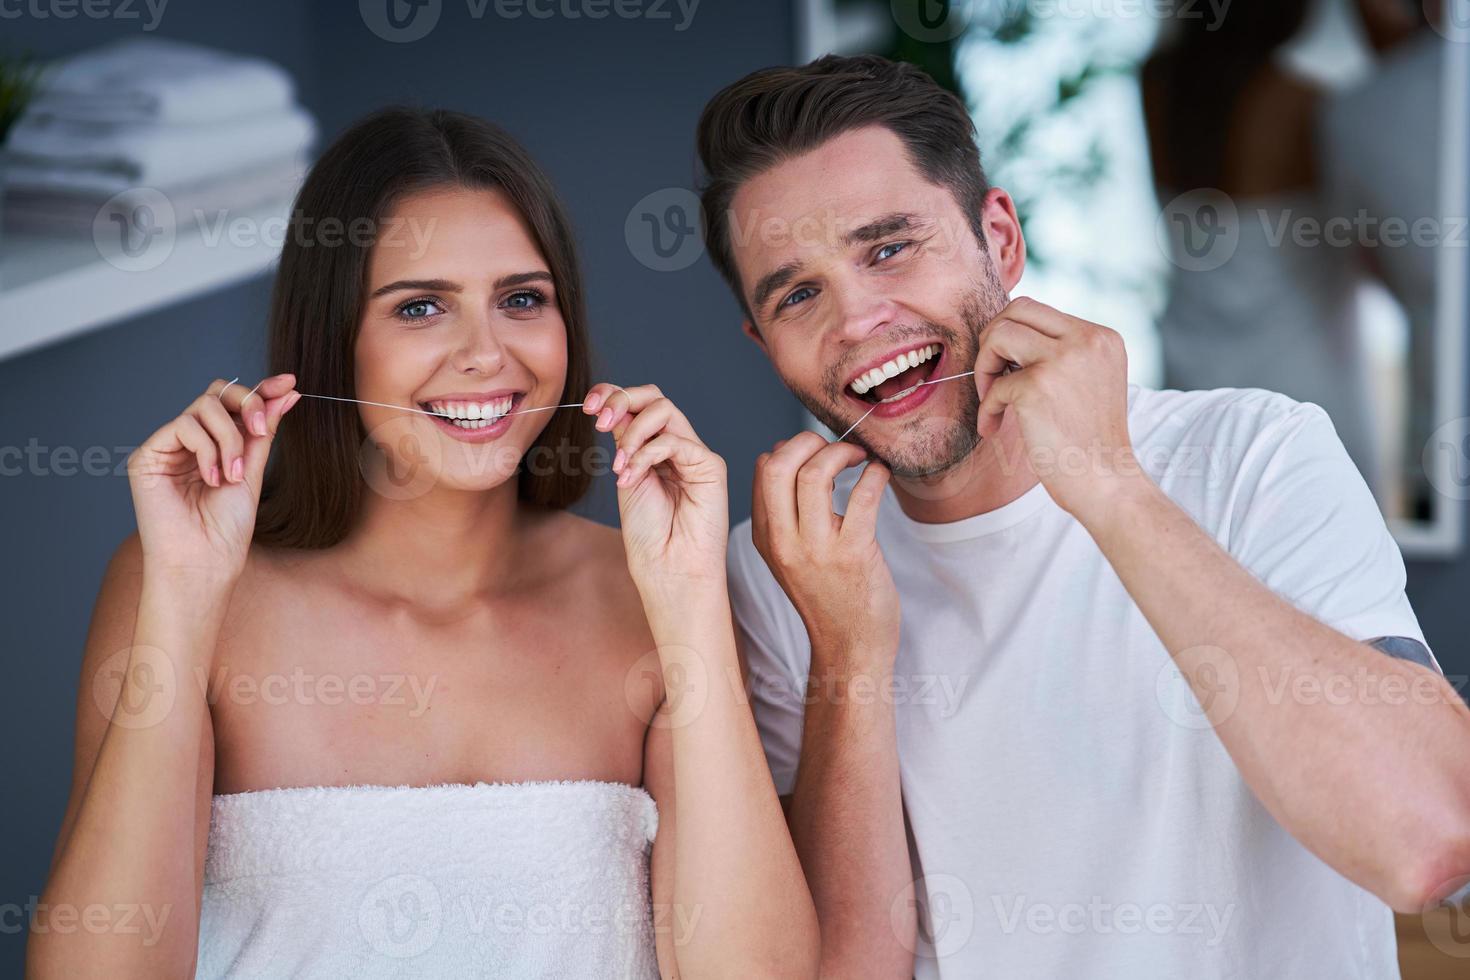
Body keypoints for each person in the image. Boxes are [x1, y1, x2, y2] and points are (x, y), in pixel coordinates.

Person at [696, 54, 1470, 978]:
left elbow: (1429, 841)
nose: (858, 317)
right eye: (798, 293)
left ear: (1000, 239)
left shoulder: (1254, 457)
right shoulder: (784, 568)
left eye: (889, 247)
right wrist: (849, 654)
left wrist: (1111, 487)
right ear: (761, 339)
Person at [27, 107, 817, 979]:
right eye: (420, 307)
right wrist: (182, 602)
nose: (486, 354)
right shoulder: (172, 586)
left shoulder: (649, 593)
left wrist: (692, 604)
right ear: (335, 344)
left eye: (522, 299)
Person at [1143, 0, 1380, 488]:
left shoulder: (1156, 86)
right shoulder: (1305, 101)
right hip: (1305, 382)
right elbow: (1383, 251)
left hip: (1191, 376)